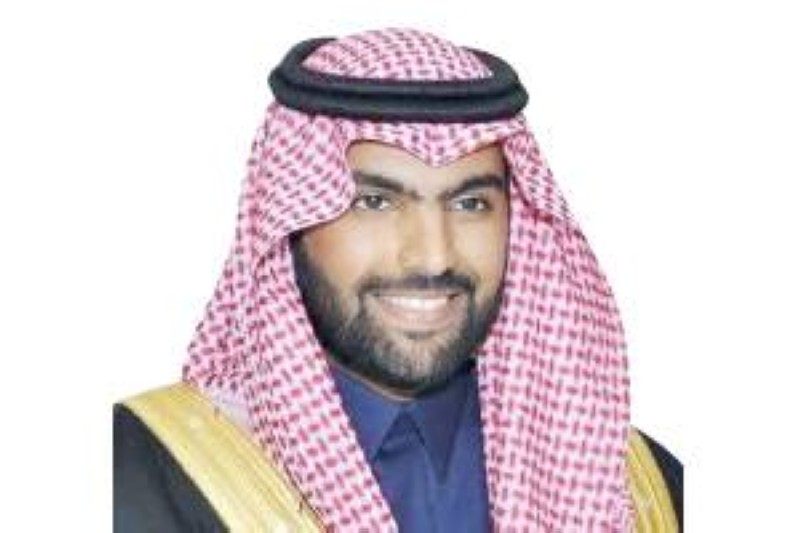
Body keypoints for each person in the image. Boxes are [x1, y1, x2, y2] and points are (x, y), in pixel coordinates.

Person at [114, 28, 682, 532]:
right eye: (375, 201)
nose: (433, 257)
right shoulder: (138, 475)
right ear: (290, 223)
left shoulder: (638, 489)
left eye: (470, 203)